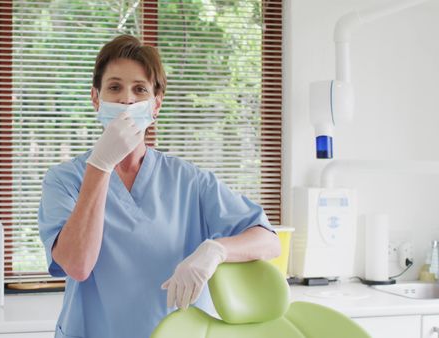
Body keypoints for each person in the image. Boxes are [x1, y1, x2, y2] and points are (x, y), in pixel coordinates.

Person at [38, 34, 280, 338]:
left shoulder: (189, 181)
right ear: (96, 99)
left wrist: (216, 250)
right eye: (114, 87)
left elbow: (268, 240)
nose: (127, 99)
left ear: (156, 105)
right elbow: (77, 265)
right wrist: (100, 166)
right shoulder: (64, 180)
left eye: (139, 89)